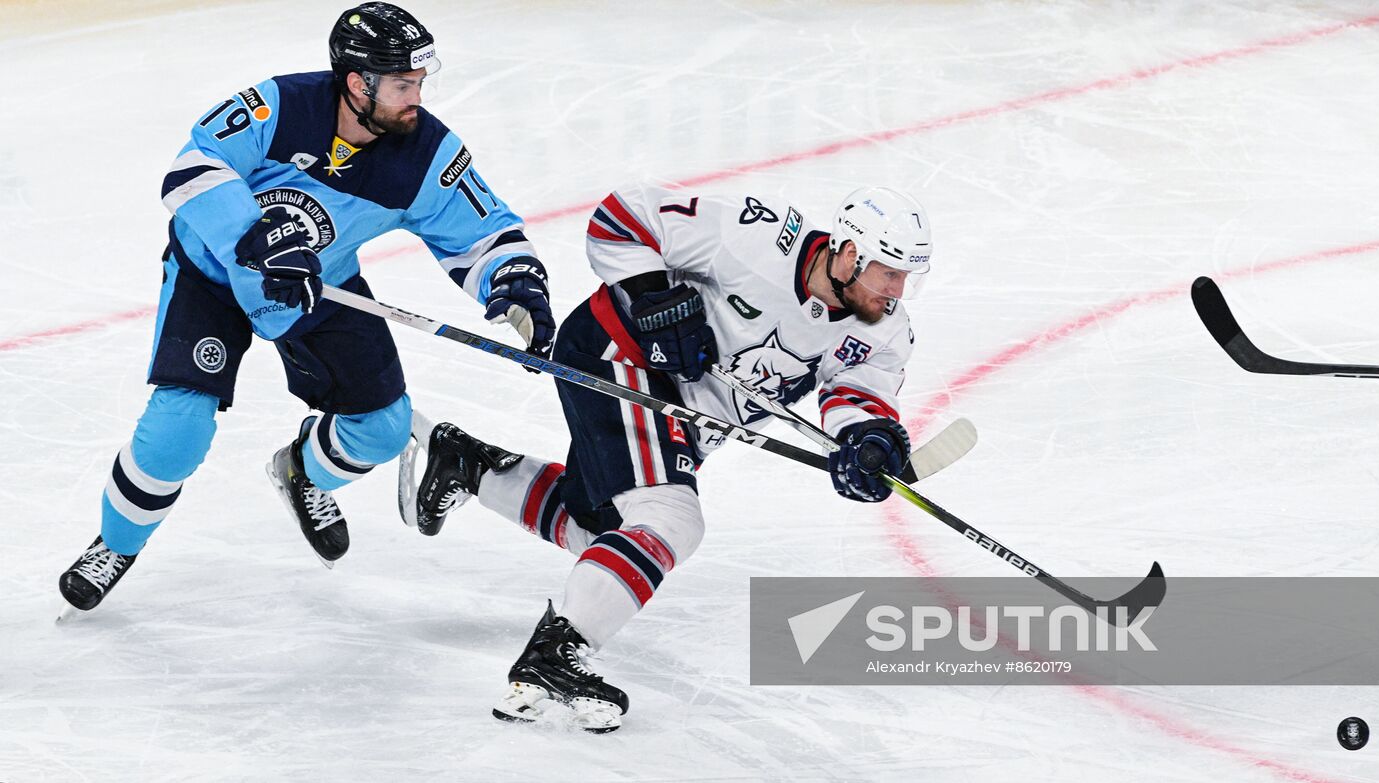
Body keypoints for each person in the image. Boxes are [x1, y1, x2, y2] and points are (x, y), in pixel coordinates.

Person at [58, 2, 555, 611]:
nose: (416, 98)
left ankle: (302, 470)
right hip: (211, 274)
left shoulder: (426, 153)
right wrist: (254, 233)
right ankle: (116, 544)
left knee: (382, 431)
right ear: (357, 82)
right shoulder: (280, 104)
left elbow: (483, 233)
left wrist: (515, 282)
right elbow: (192, 167)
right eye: (404, 84)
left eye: (421, 83)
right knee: (177, 429)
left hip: (320, 287)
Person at [408, 185, 931, 732]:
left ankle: (468, 465)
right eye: (889, 272)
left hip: (688, 418)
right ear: (849, 254)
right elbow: (621, 218)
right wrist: (655, 298)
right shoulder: (755, 236)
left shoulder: (886, 327)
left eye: (906, 278)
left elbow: (857, 391)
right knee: (671, 520)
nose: (896, 291)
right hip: (621, 359)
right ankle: (555, 654)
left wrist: (869, 440)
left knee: (604, 534)